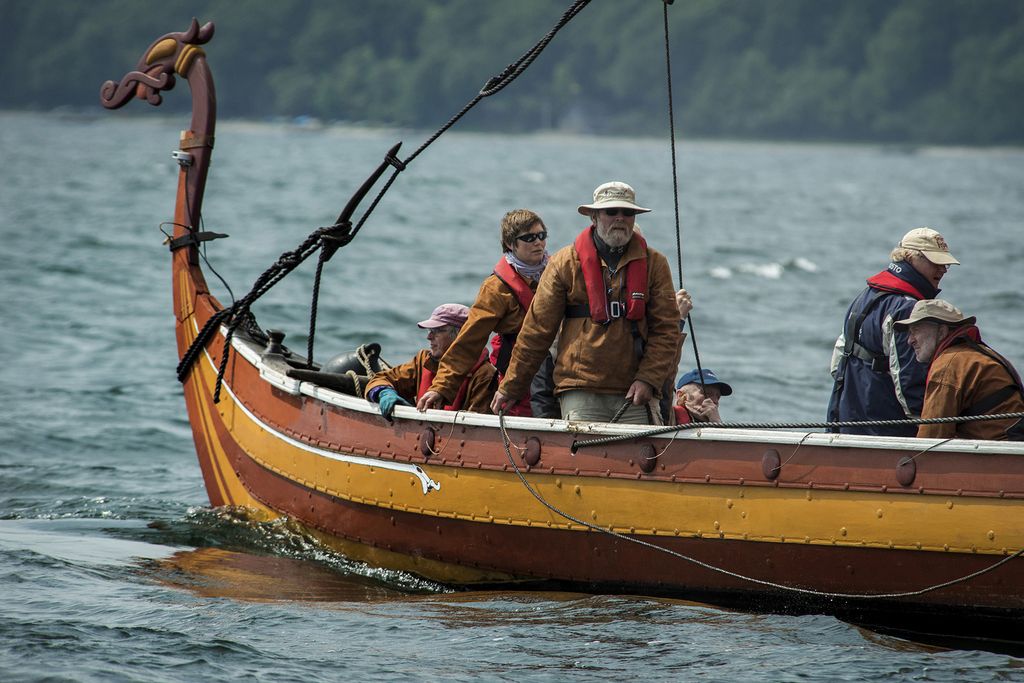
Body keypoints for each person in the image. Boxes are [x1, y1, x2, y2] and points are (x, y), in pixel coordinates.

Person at [491, 181, 679, 424]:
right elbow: (536, 332)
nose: (620, 218)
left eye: (628, 212)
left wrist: (648, 379)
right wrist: (511, 387)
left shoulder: (656, 264)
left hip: (635, 393)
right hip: (580, 391)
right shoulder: (563, 263)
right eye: (611, 212)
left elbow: (666, 330)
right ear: (593, 216)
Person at [827, 227, 960, 436]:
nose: (943, 269)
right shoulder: (906, 308)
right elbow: (909, 381)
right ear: (910, 257)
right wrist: (932, 429)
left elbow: (837, 364)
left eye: (945, 263)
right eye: (936, 262)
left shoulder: (866, 295)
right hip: (885, 430)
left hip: (844, 419)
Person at [417, 209, 549, 416]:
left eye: (542, 235)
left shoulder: (557, 273)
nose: (538, 242)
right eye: (529, 238)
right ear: (510, 244)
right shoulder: (495, 288)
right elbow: (469, 340)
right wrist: (441, 387)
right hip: (518, 380)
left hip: (557, 372)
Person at [893, 299, 1024, 440]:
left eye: (916, 331)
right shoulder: (980, 353)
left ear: (942, 332)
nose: (910, 340)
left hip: (997, 454)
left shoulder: (948, 365)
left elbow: (931, 437)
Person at [364, 304, 495, 420]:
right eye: (430, 331)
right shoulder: (423, 361)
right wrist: (383, 392)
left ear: (461, 336)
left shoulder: (485, 375)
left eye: (438, 331)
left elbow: (477, 427)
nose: (429, 337)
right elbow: (382, 378)